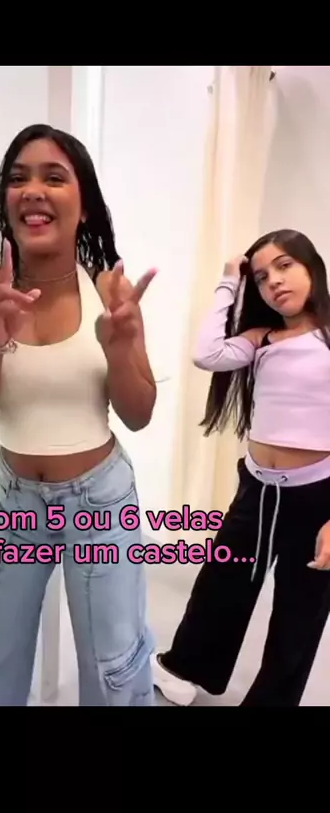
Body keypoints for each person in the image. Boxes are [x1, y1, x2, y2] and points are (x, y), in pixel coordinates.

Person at [0, 123, 158, 706]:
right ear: (6, 202)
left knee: (113, 673)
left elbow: (139, 414)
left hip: (102, 502)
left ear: (83, 207)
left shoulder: (110, 291)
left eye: (54, 178)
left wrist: (120, 348)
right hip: (16, 503)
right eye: (18, 179)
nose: (32, 190)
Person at [152, 229, 330, 708]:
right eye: (263, 277)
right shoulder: (261, 339)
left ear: (312, 267)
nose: (274, 282)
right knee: (221, 583)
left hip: (317, 497)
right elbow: (206, 354)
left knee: (300, 610)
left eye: (285, 266)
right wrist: (229, 281)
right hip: (257, 487)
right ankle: (183, 668)